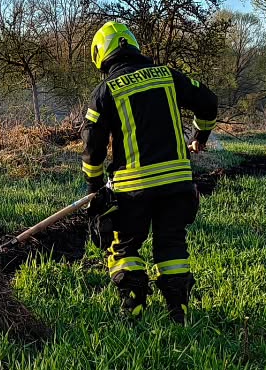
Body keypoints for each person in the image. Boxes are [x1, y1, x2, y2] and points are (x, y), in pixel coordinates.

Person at [81, 21, 221, 322]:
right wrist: (200, 137)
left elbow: (92, 146)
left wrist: (93, 190)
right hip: (178, 185)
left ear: (101, 54)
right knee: (171, 242)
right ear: (132, 46)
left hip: (133, 188)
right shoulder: (169, 76)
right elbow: (208, 103)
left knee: (124, 244)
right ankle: (178, 309)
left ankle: (133, 302)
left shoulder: (105, 91)